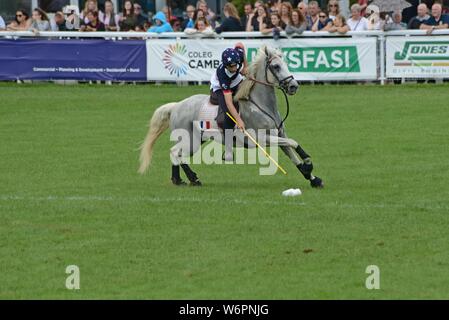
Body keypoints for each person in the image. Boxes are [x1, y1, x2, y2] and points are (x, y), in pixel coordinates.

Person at [210, 44, 248, 161]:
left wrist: (245, 66)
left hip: (236, 81)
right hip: (220, 89)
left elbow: (240, 45)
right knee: (230, 114)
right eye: (231, 67)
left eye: (236, 65)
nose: (235, 68)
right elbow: (229, 103)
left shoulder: (238, 56)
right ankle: (228, 150)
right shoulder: (223, 75)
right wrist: (239, 120)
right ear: (226, 66)